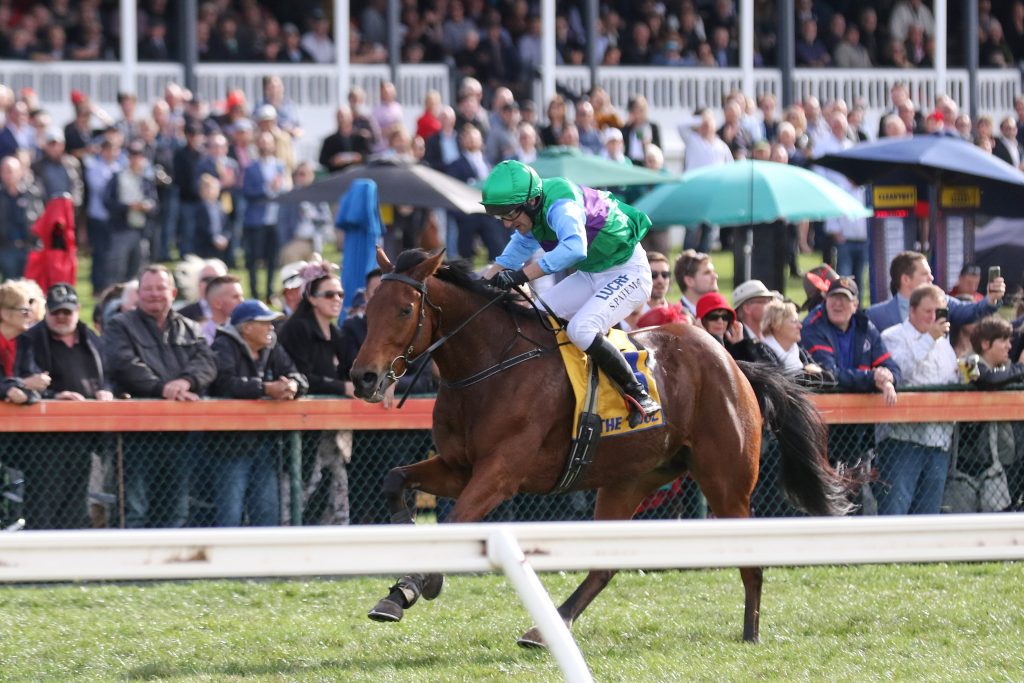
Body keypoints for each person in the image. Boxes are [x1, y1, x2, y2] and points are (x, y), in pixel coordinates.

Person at [480, 160, 660, 427]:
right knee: (536, 318)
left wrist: (520, 276)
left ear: (531, 202)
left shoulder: (561, 204)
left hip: (629, 272)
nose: (506, 224)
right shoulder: (531, 216)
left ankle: (639, 394)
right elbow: (506, 261)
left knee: (581, 329)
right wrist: (472, 287)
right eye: (501, 216)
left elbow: (575, 249)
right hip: (591, 274)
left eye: (509, 214)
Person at [104, 265, 217, 528]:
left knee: (177, 511)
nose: (154, 294)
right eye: (148, 289)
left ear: (173, 293)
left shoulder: (190, 327)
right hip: (135, 435)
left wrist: (185, 381)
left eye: (160, 288)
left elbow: (208, 362)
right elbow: (123, 363)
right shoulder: (120, 325)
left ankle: (170, 558)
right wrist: (162, 388)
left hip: (179, 434)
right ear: (138, 293)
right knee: (135, 510)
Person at [14, 283, 112, 529]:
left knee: (76, 504)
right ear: (47, 311)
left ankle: (71, 552)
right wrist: (54, 396)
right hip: (44, 441)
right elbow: (22, 381)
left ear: (77, 310)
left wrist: (106, 391)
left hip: (83, 436)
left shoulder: (91, 339)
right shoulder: (30, 340)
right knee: (44, 506)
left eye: (66, 312)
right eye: (55, 311)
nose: (61, 317)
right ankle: (40, 552)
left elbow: (109, 374)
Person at [210, 299, 307, 527]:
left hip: (266, 444)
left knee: (267, 513)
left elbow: (297, 375)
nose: (271, 328)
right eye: (265, 323)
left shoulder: (272, 345)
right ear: (246, 327)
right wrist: (265, 389)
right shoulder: (223, 346)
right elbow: (223, 383)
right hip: (230, 446)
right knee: (230, 515)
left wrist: (293, 386)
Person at [277, 261, 352, 525]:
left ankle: (337, 534)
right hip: (301, 428)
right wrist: (343, 388)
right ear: (311, 298)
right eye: (329, 294)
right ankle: (286, 533)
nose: (337, 299)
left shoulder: (336, 332)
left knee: (337, 486)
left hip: (331, 428)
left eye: (340, 294)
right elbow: (302, 377)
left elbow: (349, 369)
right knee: (298, 488)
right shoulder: (296, 329)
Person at [876, 284, 959, 515]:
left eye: (938, 312)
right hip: (902, 439)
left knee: (928, 515)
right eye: (927, 311)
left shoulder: (944, 344)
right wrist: (929, 339)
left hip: (939, 440)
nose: (934, 318)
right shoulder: (892, 336)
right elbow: (899, 371)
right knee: (895, 511)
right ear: (911, 311)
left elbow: (949, 380)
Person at [965, 316, 1024, 510]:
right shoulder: (966, 361)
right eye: (1003, 340)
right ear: (985, 343)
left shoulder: (1006, 368)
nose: (1009, 346)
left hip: (1006, 456)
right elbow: (987, 380)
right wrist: (1021, 368)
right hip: (970, 459)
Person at [866, 251, 1004, 333]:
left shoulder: (942, 301)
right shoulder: (875, 315)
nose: (931, 278)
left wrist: (991, 298)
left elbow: (972, 311)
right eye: (925, 274)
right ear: (906, 279)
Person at [760, 299, 835, 386]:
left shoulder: (799, 351)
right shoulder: (762, 351)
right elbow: (779, 384)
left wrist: (802, 376)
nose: (800, 326)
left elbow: (830, 380)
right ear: (776, 324)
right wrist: (808, 372)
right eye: (794, 321)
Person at [674, 249, 719, 319]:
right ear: (689, 281)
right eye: (707, 273)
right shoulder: (675, 317)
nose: (715, 276)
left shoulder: (720, 312)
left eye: (713, 272)